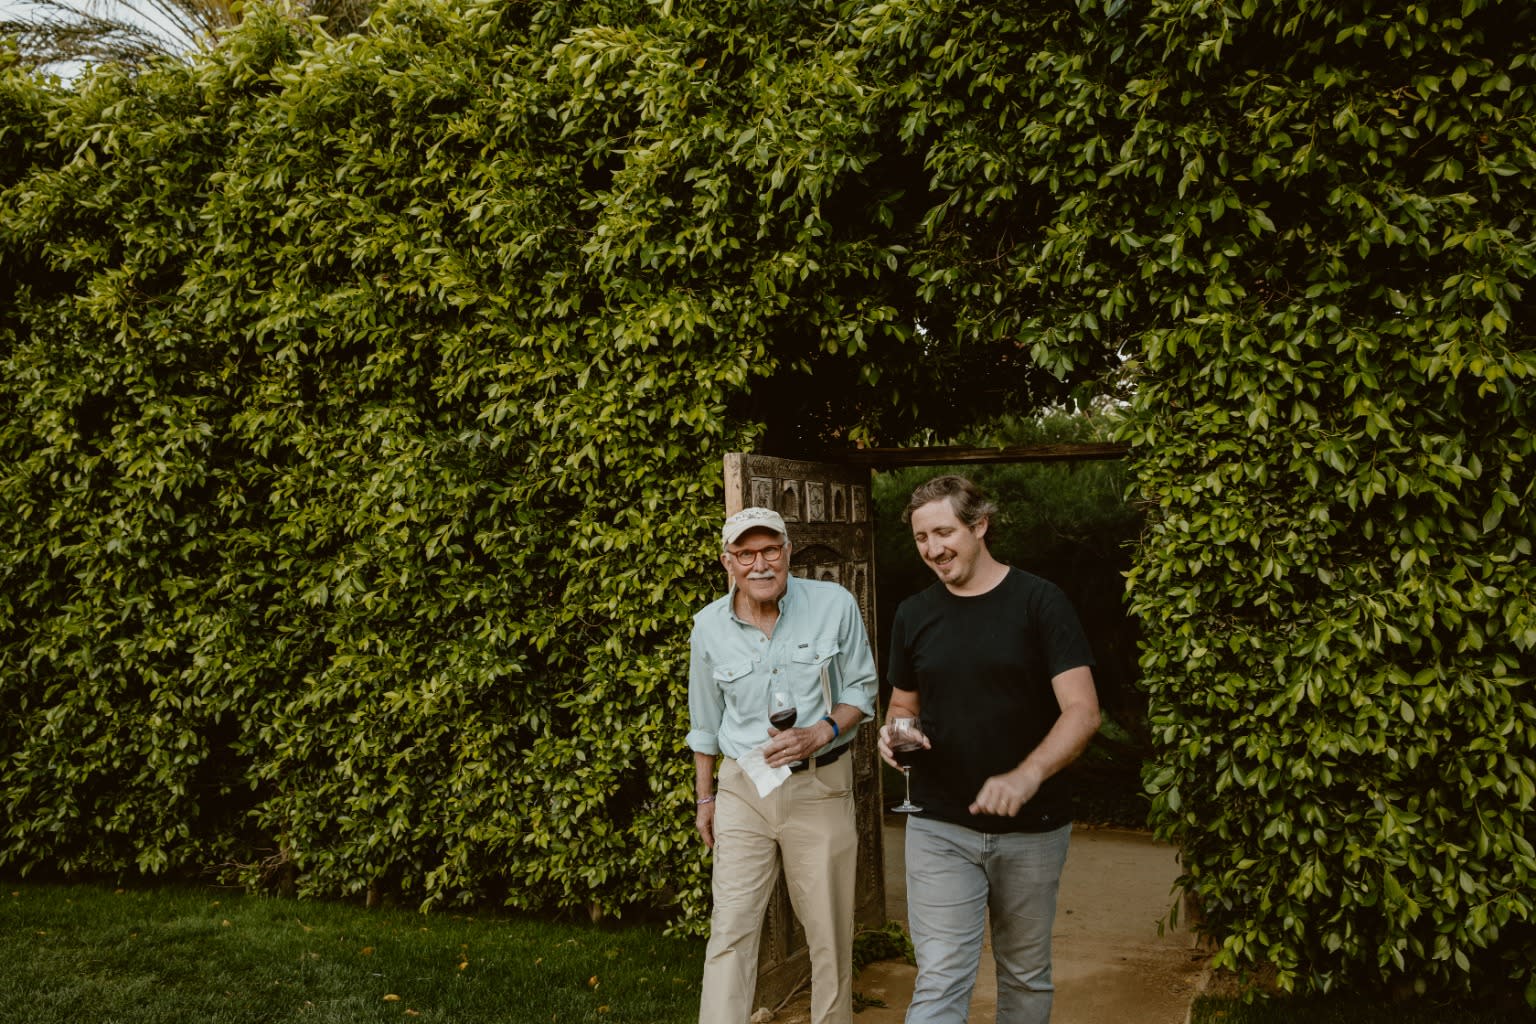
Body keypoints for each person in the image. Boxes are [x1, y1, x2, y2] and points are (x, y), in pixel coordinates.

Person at [879, 475, 1101, 1024]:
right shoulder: (914, 613)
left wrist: (1027, 774)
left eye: (944, 533)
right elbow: (903, 704)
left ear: (979, 525)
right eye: (921, 538)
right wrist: (896, 733)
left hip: (1034, 829)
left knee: (1025, 977)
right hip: (938, 824)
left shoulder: (1041, 602)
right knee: (939, 978)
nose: (932, 549)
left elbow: (1082, 710)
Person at [688, 506, 879, 1024]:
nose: (760, 564)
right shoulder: (707, 626)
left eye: (770, 549)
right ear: (727, 562)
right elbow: (705, 723)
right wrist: (705, 798)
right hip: (742, 790)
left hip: (819, 785)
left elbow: (862, 689)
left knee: (829, 934)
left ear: (788, 552)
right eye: (745, 553)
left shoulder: (834, 604)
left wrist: (823, 731)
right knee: (730, 930)